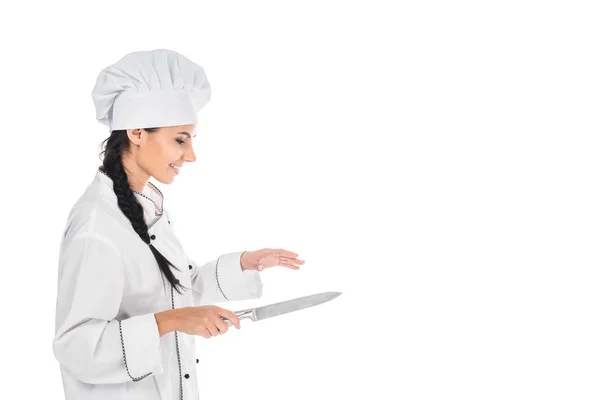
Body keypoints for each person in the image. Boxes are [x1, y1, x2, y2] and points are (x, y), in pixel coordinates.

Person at [52, 48, 304, 400]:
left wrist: (243, 263)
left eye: (191, 140)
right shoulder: (96, 227)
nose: (191, 155)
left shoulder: (144, 207)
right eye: (180, 139)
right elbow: (76, 346)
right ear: (137, 132)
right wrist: (171, 322)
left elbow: (172, 290)